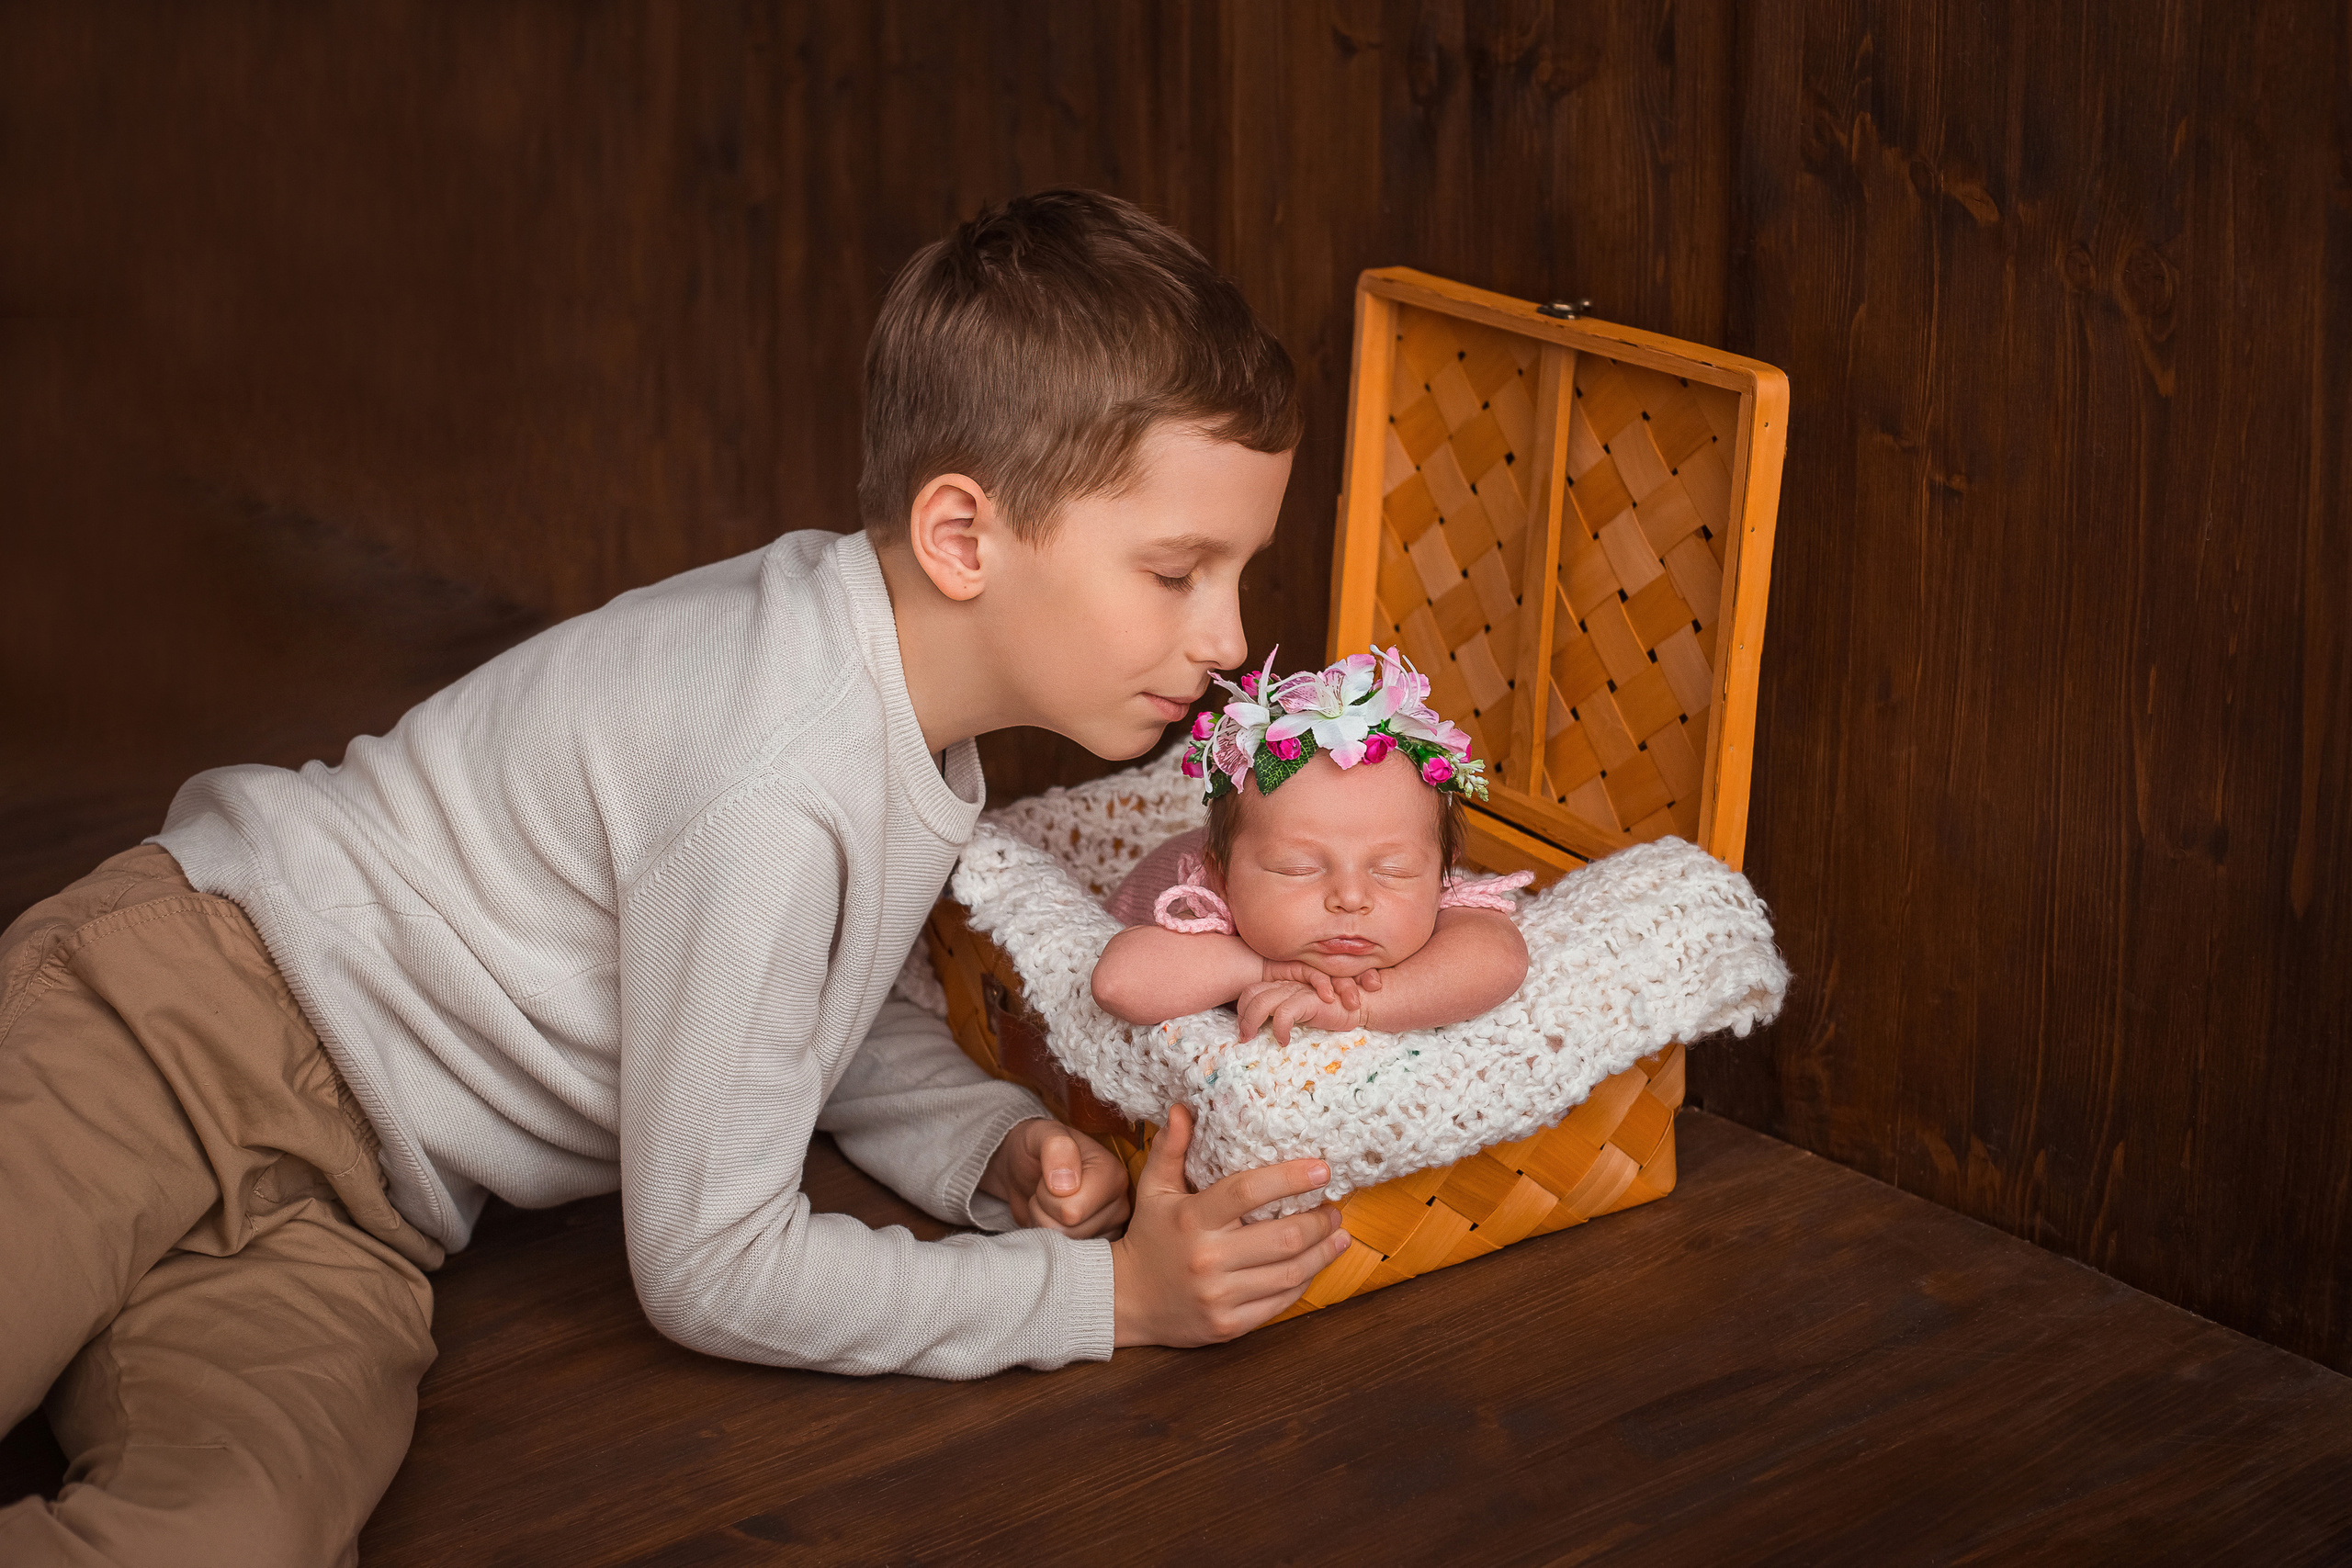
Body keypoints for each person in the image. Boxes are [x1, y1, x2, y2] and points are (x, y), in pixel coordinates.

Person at [0, 188, 1357, 1567]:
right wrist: (1102, 1298)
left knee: (231, 1537)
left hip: (355, 1204)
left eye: (1237, 571)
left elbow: (800, 1004)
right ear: (964, 538)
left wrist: (982, 1139)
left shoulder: (885, 703)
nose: (1232, 636)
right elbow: (713, 1267)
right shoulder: (774, 767)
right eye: (1179, 570)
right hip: (175, 1020)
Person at [1091, 647, 1533, 1048]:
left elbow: (1500, 959)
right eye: (1297, 869)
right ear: (1224, 877)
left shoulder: (1431, 894)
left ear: (1440, 875)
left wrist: (1355, 1007)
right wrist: (1263, 969)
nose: (1351, 899)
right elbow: (1117, 983)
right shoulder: (1209, 903)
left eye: (1393, 871)